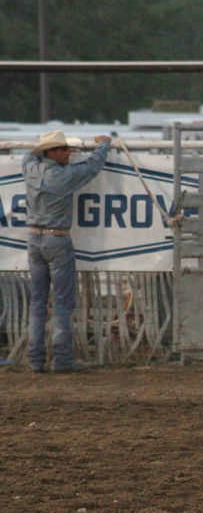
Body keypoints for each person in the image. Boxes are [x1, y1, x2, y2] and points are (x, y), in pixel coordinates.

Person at [23, 131, 112, 373]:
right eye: (63, 149)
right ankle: (62, 359)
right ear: (51, 153)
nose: (67, 153)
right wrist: (103, 145)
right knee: (62, 302)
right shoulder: (65, 176)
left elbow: (27, 157)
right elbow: (93, 166)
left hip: (34, 238)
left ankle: (36, 359)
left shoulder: (30, 168)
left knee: (38, 301)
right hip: (57, 239)